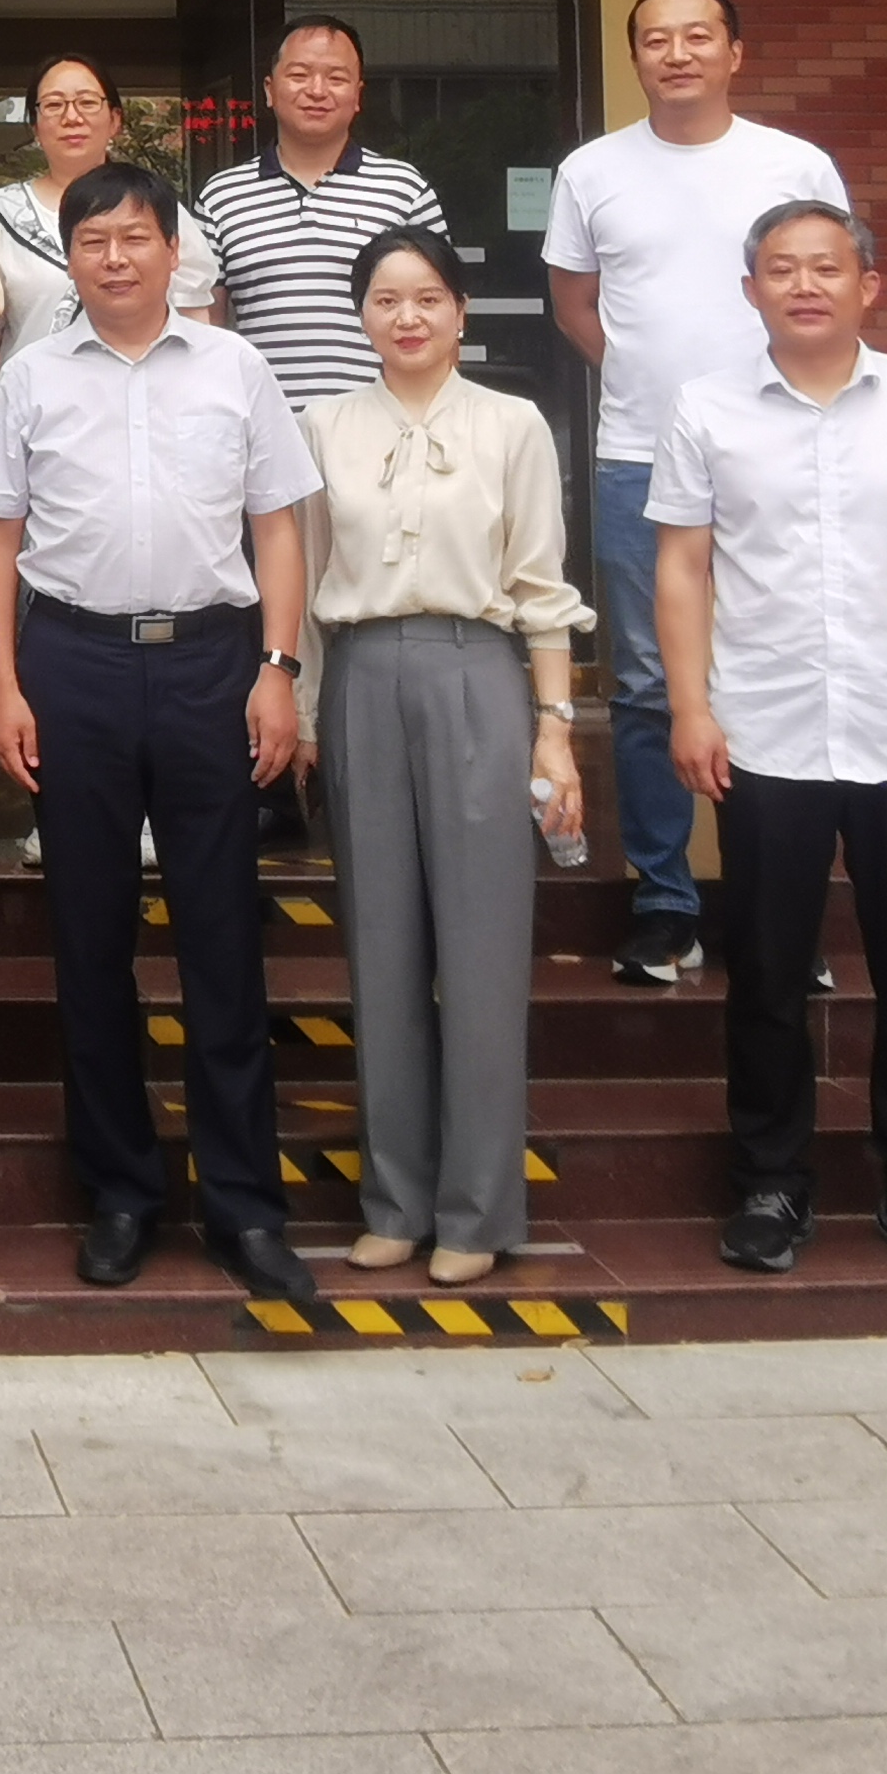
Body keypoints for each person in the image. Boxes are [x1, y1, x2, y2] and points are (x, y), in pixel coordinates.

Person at [653, 198, 887, 1287]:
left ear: (869, 286)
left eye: (826, 267)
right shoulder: (707, 407)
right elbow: (682, 566)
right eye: (782, 269)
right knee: (767, 976)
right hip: (765, 734)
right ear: (751, 291)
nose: (804, 285)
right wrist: (690, 706)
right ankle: (771, 1185)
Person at [0, 165, 323, 1305]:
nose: (114, 258)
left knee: (222, 939)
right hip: (73, 666)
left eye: (135, 238)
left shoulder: (236, 366)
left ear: (175, 252)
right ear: (68, 258)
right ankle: (120, 1191)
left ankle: (245, 1206)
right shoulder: (32, 377)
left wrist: (279, 670)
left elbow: (278, 528)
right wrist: (3, 688)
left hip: (213, 667)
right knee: (90, 941)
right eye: (93, 241)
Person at [544, 0, 852, 989]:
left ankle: (782, 917)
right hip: (641, 456)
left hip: (780, 454)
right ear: (634, 55)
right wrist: (653, 385)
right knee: (645, 686)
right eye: (655, 39)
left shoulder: (794, 164)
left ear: (735, 52)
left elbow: (827, 286)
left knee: (776, 674)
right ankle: (665, 905)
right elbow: (577, 305)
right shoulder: (592, 170)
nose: (676, 54)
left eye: (697, 36)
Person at [302, 226, 590, 1289]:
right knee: (379, 950)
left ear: (461, 311)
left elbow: (542, 585)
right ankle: (394, 1202)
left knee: (481, 952)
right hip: (360, 677)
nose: (408, 317)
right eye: (386, 300)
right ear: (362, 316)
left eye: (428, 297)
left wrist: (554, 726)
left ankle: (477, 1209)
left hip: (479, 675)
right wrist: (302, 710)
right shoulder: (322, 426)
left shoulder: (513, 424)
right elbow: (305, 579)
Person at [192, 11, 448, 411]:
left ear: (358, 94)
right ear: (269, 90)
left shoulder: (405, 190)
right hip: (262, 428)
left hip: (383, 428)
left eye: (336, 78)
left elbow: (442, 322)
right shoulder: (221, 197)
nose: (316, 90)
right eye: (299, 75)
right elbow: (203, 330)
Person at [0, 52, 221, 388]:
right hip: (34, 402)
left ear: (115, 119)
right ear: (34, 125)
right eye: (53, 105)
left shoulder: (155, 207)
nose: (71, 117)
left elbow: (193, 316)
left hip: (149, 400)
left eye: (87, 102)